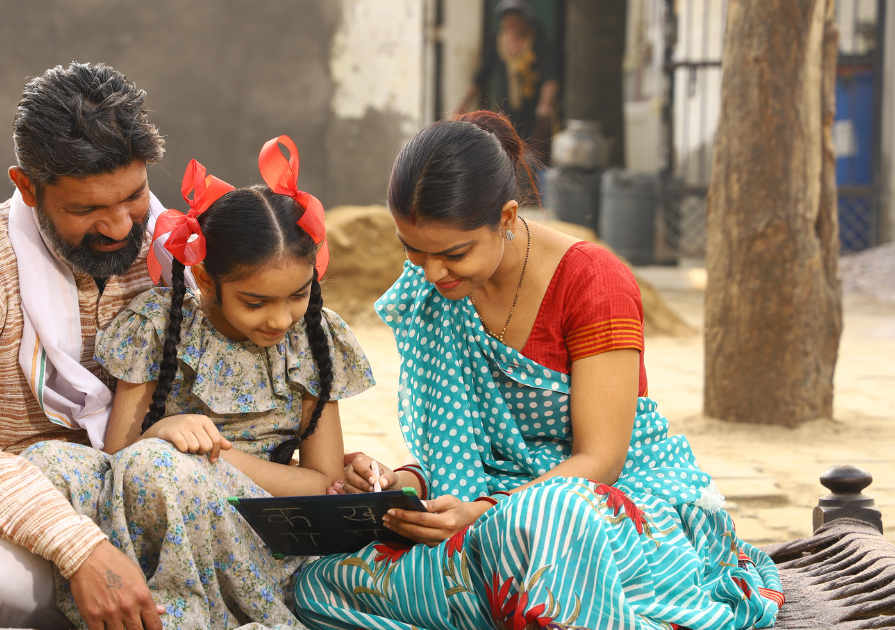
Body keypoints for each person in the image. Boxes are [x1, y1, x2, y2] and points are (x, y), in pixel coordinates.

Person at [294, 111, 784, 630]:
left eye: (454, 254)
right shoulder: (433, 288)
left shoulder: (594, 281)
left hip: (605, 508)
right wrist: (401, 484)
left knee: (546, 523)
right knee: (318, 583)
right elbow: (457, 450)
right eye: (413, 250)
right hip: (484, 512)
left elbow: (600, 459)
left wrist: (484, 512)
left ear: (506, 218)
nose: (433, 271)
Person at [0, 62, 256, 630]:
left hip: (168, 504)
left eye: (134, 196)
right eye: (86, 209)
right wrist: (80, 548)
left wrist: (329, 460)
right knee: (8, 585)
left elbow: (266, 370)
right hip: (10, 522)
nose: (119, 227)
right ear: (25, 186)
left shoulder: (185, 247)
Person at [23, 136, 375, 629]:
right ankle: (120, 591)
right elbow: (120, 455)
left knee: (162, 466)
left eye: (298, 295)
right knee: (45, 463)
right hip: (153, 494)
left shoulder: (314, 337)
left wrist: (216, 459)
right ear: (207, 281)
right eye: (256, 302)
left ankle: (182, 615)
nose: (281, 319)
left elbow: (322, 484)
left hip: (254, 526)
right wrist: (165, 431)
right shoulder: (159, 324)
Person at [457, 0, 559, 147]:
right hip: (507, 111)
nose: (512, 25)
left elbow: (550, 79)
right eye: (508, 21)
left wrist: (545, 105)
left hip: (534, 112)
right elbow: (481, 75)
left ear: (526, 21)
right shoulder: (498, 40)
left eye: (517, 20)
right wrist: (462, 105)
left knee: (536, 153)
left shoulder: (539, 42)